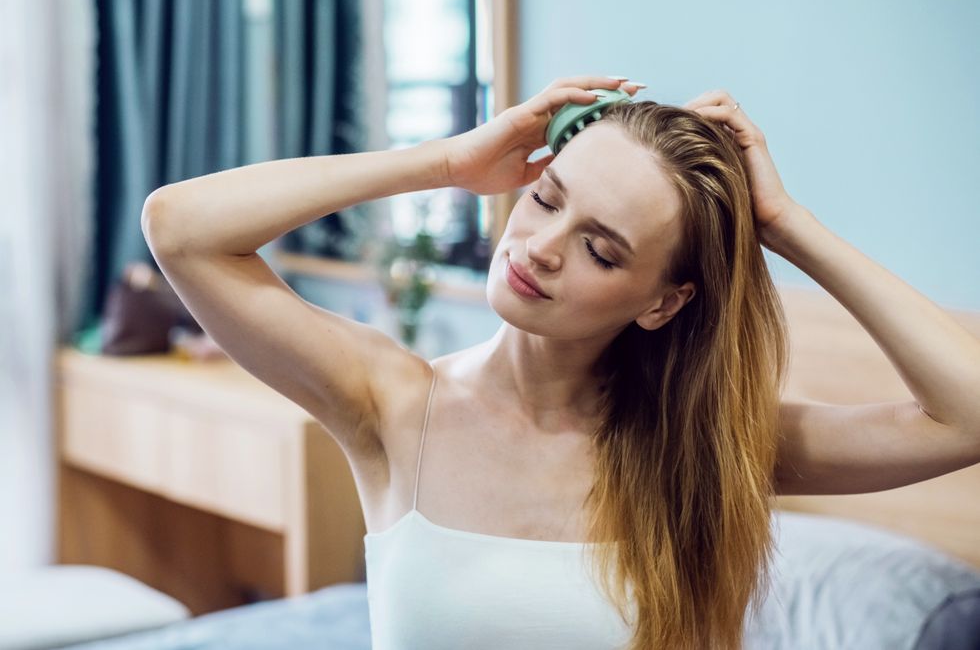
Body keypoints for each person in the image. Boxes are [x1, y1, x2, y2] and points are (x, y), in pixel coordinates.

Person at [141, 75, 980, 650]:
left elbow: (967, 412)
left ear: (663, 301)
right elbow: (181, 228)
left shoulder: (714, 450)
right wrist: (447, 162)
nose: (539, 248)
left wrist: (784, 223)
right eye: (546, 198)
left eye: (601, 250)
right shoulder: (393, 402)